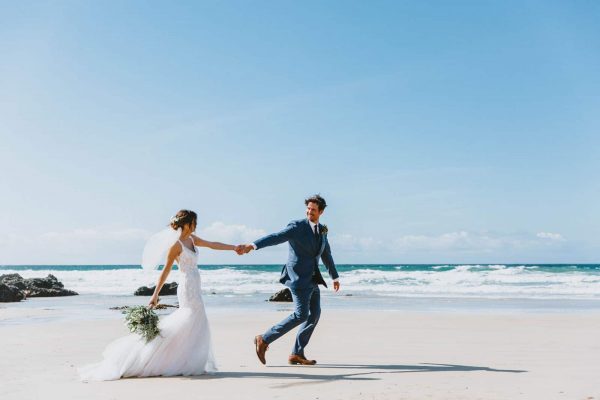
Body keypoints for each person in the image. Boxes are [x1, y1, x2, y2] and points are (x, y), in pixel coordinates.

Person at [78, 210, 243, 380]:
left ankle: (189, 361)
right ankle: (167, 359)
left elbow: (212, 244)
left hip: (195, 284)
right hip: (187, 286)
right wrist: (155, 295)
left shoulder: (193, 239)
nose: (196, 226)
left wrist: (234, 248)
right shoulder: (176, 245)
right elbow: (165, 272)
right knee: (189, 319)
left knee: (196, 321)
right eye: (194, 222)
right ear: (186, 223)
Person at [241, 194, 340, 366]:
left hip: (313, 278)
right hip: (298, 277)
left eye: (314, 210)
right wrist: (253, 245)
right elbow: (276, 237)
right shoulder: (297, 226)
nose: (310, 212)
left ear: (321, 212)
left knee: (314, 314)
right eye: (308, 209)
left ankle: (297, 353)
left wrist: (334, 276)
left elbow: (326, 254)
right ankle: (264, 339)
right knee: (301, 315)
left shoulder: (322, 230)